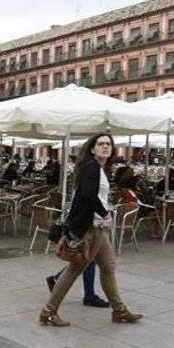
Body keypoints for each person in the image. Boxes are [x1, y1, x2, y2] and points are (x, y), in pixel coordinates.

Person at [40, 134, 142, 326]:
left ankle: (119, 311)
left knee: (108, 267)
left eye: (108, 144)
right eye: (100, 144)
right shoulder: (92, 167)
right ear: (92, 149)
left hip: (97, 227)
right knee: (74, 269)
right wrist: (105, 214)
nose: (105, 147)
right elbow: (87, 195)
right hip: (91, 228)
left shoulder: (100, 169)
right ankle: (48, 312)